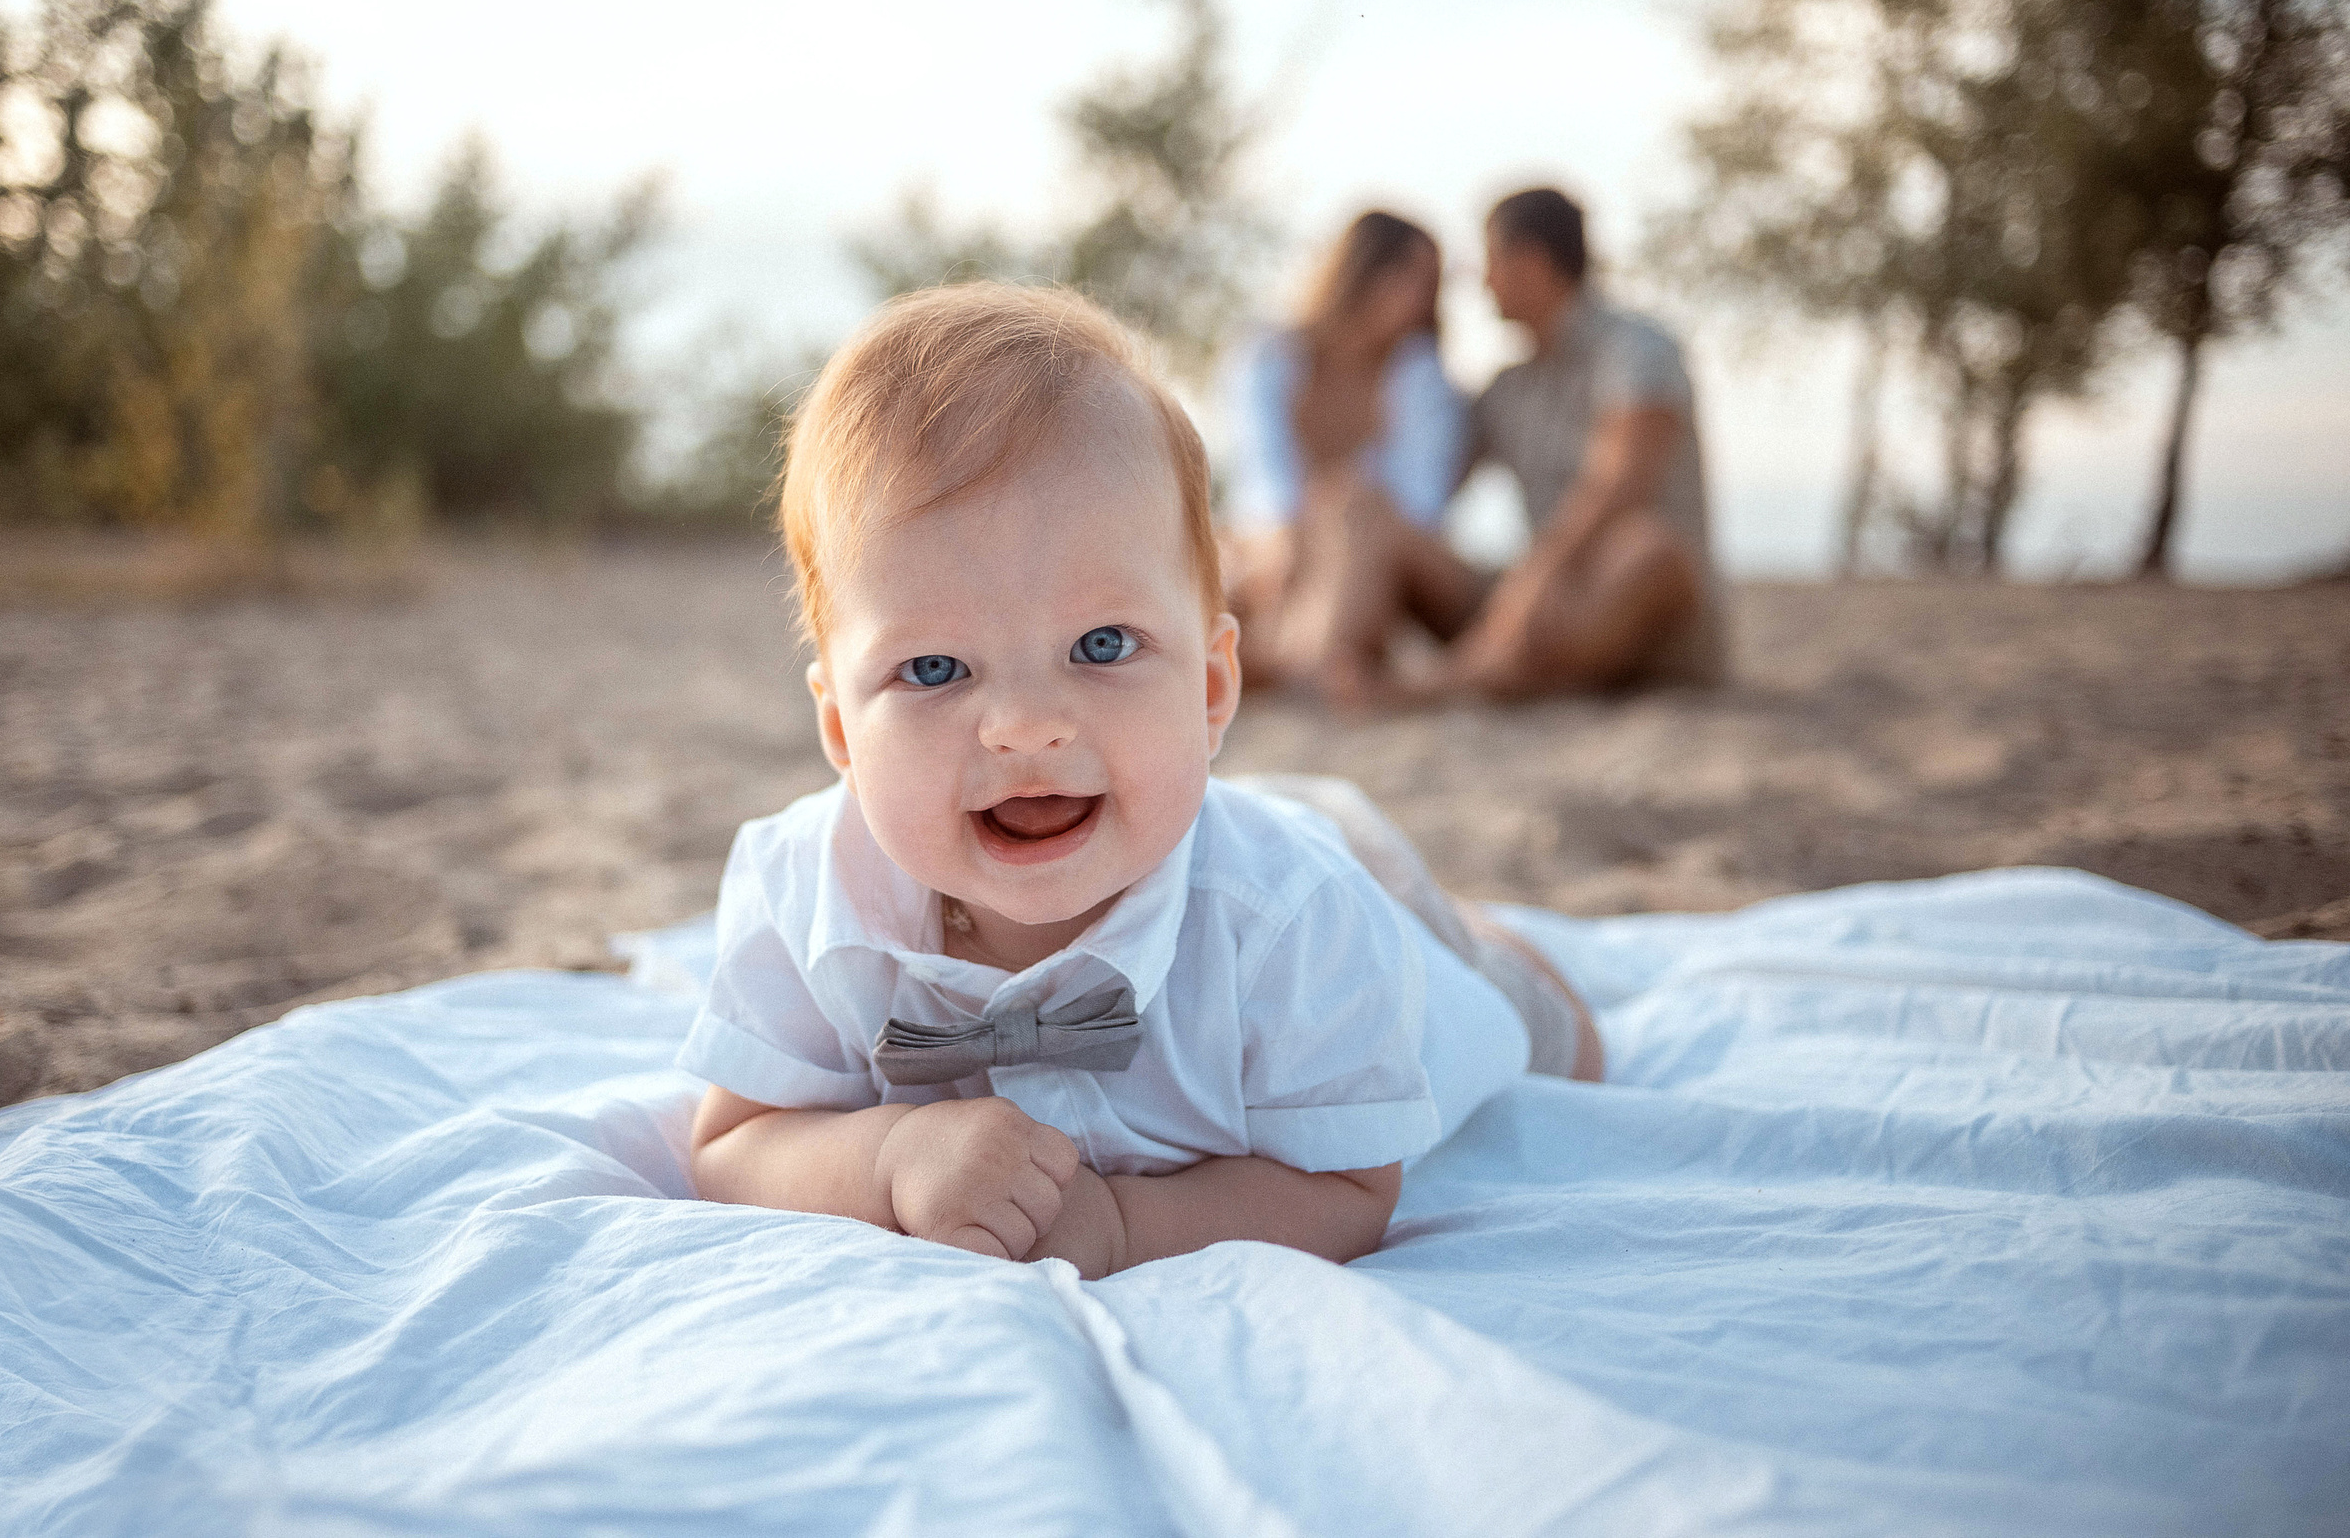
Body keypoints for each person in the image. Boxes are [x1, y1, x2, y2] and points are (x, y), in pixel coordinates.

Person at [680, 284, 1599, 1282]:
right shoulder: (806, 895)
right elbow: (735, 1143)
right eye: (935, 670)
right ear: (839, 731)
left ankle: (1491, 943)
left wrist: (1121, 1224)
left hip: (1361, 921)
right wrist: (887, 1154)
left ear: (1209, 690)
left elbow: (1348, 1187)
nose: (1026, 727)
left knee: (1537, 1029)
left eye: (1101, 645)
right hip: (1274, 846)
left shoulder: (1294, 926)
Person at [1434, 188, 1724, 697]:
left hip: (1634, 602)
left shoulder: (1639, 350)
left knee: (1644, 548)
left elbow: (1621, 482)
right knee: (1368, 516)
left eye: (1491, 261)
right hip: (1551, 604)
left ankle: (1451, 683)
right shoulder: (1509, 386)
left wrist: (1534, 579)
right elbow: (1429, 487)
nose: (1483, 283)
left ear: (1530, 261)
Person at [1219, 211, 1478, 707]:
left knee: (1355, 514)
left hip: (1386, 552)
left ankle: (1295, 662)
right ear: (1363, 273)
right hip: (1278, 548)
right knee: (1225, 554)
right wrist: (1292, 535)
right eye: (1410, 278)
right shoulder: (1266, 357)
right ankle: (1301, 658)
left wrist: (1329, 511)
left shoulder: (1421, 374)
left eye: (1431, 283)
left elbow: (1421, 503)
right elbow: (1261, 479)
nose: (1424, 298)